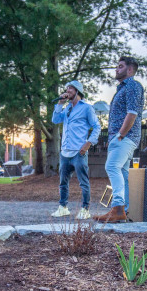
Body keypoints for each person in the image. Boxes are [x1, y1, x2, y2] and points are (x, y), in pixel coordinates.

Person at [94, 56, 143, 223]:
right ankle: (123, 211)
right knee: (122, 172)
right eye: (117, 66)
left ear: (130, 70)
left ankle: (117, 208)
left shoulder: (133, 86)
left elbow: (132, 113)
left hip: (126, 137)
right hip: (121, 138)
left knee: (112, 167)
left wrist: (120, 135)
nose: (116, 69)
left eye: (120, 66)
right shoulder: (123, 89)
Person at [50, 80, 101, 220]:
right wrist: (59, 104)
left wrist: (88, 143)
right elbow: (55, 120)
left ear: (78, 91)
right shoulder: (67, 108)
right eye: (67, 89)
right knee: (63, 182)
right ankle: (63, 207)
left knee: (83, 182)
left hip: (79, 152)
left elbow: (97, 126)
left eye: (70, 89)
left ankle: (85, 209)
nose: (67, 91)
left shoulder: (87, 108)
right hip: (65, 152)